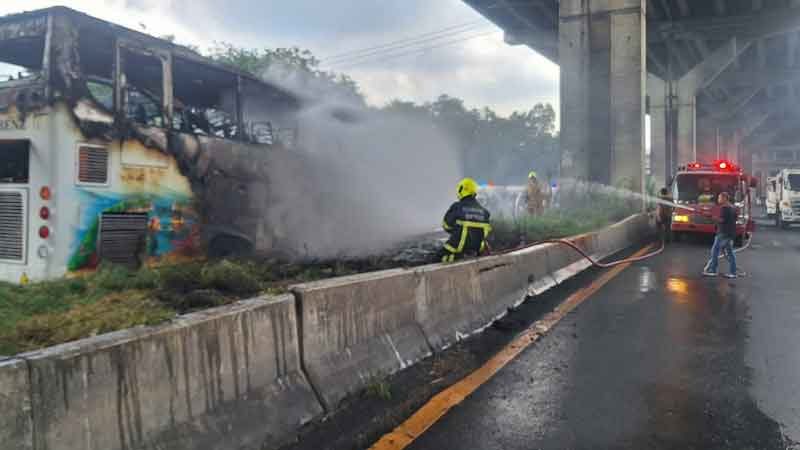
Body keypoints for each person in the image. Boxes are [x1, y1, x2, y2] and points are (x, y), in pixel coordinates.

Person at [441, 178, 492, 263]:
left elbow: (446, 226)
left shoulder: (457, 207)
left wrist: (457, 230)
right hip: (476, 250)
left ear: (461, 189)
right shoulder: (485, 212)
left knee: (435, 258)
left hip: (455, 248)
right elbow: (487, 232)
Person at [703, 192, 738, 278]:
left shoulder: (724, 208)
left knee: (715, 251)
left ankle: (713, 270)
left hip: (723, 233)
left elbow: (721, 220)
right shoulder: (733, 207)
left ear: (725, 198)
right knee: (730, 253)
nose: (718, 199)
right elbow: (734, 219)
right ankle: (733, 273)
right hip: (730, 233)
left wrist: (711, 217)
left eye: (720, 198)